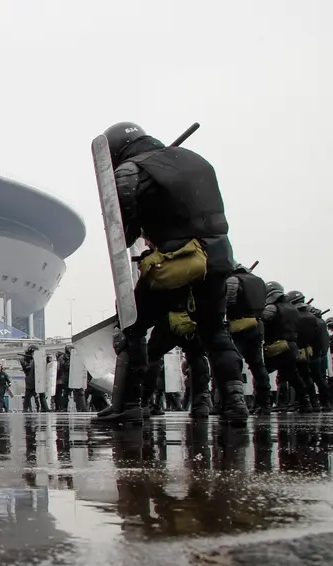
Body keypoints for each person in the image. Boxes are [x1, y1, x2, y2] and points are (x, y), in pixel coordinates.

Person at [94, 122, 248, 424]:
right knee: (215, 330)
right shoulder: (195, 159)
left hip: (179, 260)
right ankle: (235, 403)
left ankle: (129, 403)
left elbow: (123, 233)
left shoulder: (130, 171)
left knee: (132, 323)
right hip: (218, 256)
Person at [224, 263, 271, 412]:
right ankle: (264, 402)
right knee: (258, 365)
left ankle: (231, 401)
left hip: (238, 326)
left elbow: (227, 301)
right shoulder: (259, 280)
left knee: (232, 361)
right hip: (257, 325)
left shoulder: (233, 280)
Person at [261, 281, 310, 413]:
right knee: (292, 375)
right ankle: (305, 402)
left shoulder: (272, 307)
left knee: (262, 372)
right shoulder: (293, 308)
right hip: (292, 345)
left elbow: (263, 320)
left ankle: (264, 403)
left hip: (277, 345)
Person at [293, 292, 330, 410]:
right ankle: (326, 403)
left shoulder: (298, 316)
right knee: (319, 378)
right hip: (318, 352)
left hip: (304, 351)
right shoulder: (317, 317)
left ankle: (313, 402)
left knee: (305, 377)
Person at [20, 345, 38, 412]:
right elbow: (26, 367)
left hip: (36, 379)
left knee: (38, 396)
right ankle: (25, 409)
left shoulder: (36, 359)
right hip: (29, 379)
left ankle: (41, 408)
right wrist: (31, 361)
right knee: (27, 395)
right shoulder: (24, 359)